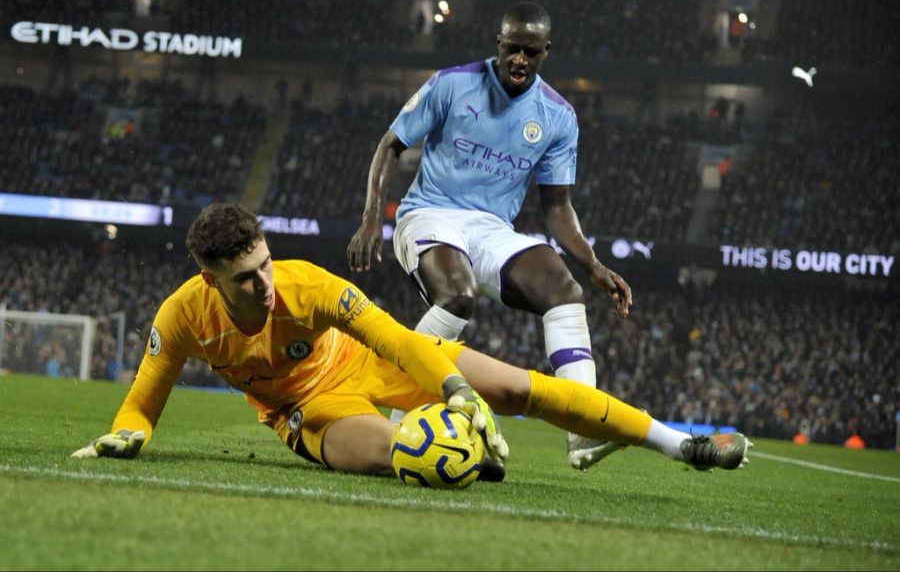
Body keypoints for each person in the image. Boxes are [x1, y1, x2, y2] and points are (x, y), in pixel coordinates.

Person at [72, 203, 752, 479]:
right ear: (209, 278)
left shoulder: (310, 285)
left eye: (266, 265)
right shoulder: (182, 315)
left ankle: (680, 443)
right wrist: (130, 433)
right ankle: (466, 451)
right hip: (310, 411)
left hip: (371, 364)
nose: (264, 285)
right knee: (404, 457)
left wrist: (454, 387)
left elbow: (398, 340)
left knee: (520, 385)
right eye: (246, 279)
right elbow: (142, 399)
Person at [347, 2, 632, 470]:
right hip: (428, 214)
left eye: (531, 52)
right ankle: (398, 418)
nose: (520, 59)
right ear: (498, 44)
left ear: (545, 52)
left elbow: (557, 208)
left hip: (491, 229)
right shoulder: (452, 84)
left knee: (565, 291)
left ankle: (582, 429)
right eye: (513, 49)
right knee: (457, 294)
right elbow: (391, 145)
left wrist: (594, 264)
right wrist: (371, 218)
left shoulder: (558, 116)